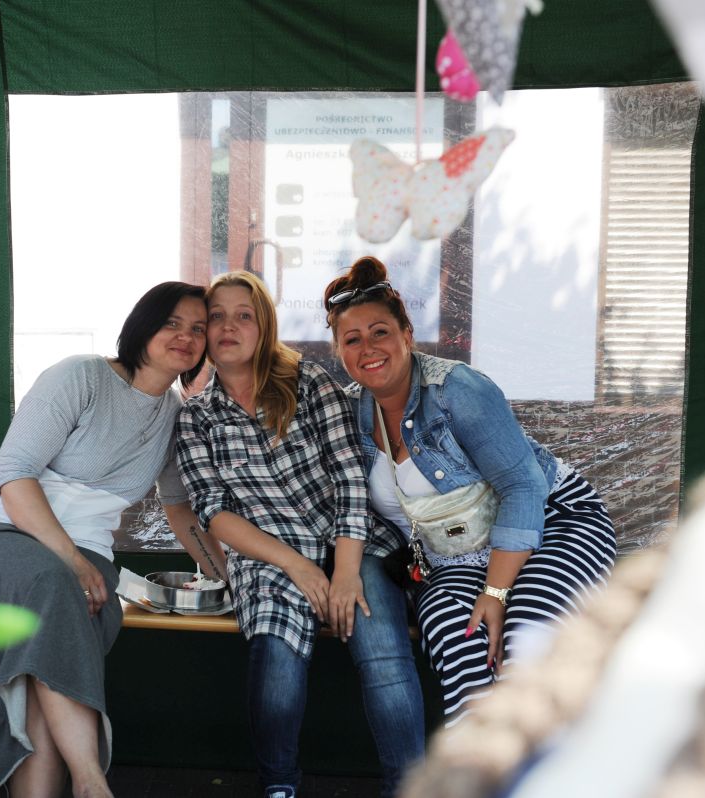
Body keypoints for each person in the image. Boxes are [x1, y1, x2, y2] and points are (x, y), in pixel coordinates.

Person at [323, 256, 617, 726]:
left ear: (407, 334)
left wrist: (496, 593)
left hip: (551, 523)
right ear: (339, 352)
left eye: (380, 332)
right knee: (453, 633)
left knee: (526, 633)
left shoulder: (456, 388)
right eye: (352, 339)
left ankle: (547, 759)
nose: (368, 348)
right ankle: (481, 759)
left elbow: (523, 487)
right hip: (454, 559)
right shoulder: (350, 415)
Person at [0, 281, 227, 798]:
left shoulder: (175, 415)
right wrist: (72, 563)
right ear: (142, 326)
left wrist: (224, 579)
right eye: (171, 323)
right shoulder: (80, 375)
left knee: (38, 665)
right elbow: (13, 476)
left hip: (86, 552)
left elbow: (179, 509)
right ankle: (90, 779)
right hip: (1, 527)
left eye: (198, 328)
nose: (186, 336)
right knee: (52, 588)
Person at [175, 271, 425, 798]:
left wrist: (346, 572)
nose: (228, 326)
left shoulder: (308, 383)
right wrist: (297, 566)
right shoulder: (196, 417)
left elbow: (350, 477)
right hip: (269, 557)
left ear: (264, 325)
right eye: (216, 316)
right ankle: (280, 787)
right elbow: (215, 514)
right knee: (276, 656)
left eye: (244, 315)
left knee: (382, 650)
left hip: (353, 542)